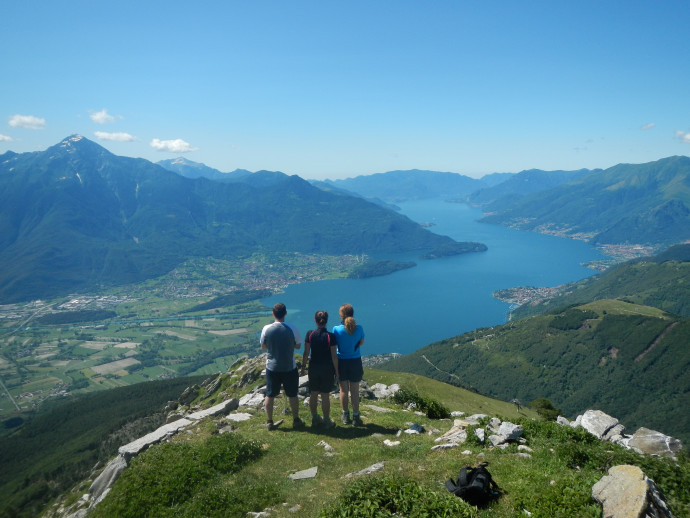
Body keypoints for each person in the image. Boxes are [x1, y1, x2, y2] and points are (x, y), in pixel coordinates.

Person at [260, 302, 304, 430]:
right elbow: (298, 345)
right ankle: (296, 420)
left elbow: (263, 346)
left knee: (270, 394)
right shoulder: (292, 328)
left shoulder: (266, 329)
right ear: (285, 313)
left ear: (273, 314)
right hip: (289, 367)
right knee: (292, 394)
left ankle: (269, 422)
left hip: (272, 367)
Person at [301, 310, 339, 429]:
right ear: (326, 321)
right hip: (327, 369)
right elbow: (334, 356)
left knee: (314, 393)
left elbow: (306, 353)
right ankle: (327, 421)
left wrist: (303, 368)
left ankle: (315, 418)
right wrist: (337, 372)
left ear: (315, 321)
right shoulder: (330, 337)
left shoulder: (310, 334)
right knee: (325, 395)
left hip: (313, 368)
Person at [332, 303, 365, 426]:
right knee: (355, 391)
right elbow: (361, 342)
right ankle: (356, 417)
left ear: (341, 315)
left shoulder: (336, 329)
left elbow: (334, 346)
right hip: (355, 361)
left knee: (343, 390)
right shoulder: (359, 328)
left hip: (342, 362)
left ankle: (345, 415)